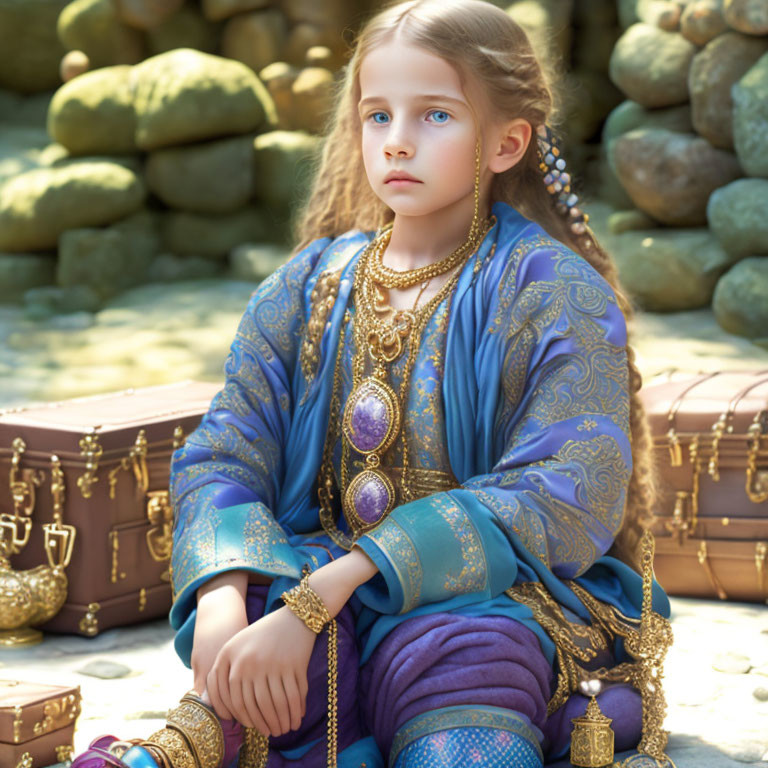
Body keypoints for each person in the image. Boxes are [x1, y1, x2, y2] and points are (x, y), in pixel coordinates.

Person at [72, 1, 673, 767]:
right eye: (377, 115)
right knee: (267, 637)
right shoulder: (309, 286)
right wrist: (224, 591)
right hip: (318, 590)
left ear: (506, 141)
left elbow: (566, 489)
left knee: (469, 660)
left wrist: (341, 582)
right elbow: (224, 452)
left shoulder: (554, 291)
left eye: (435, 116)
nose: (397, 142)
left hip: (486, 603)